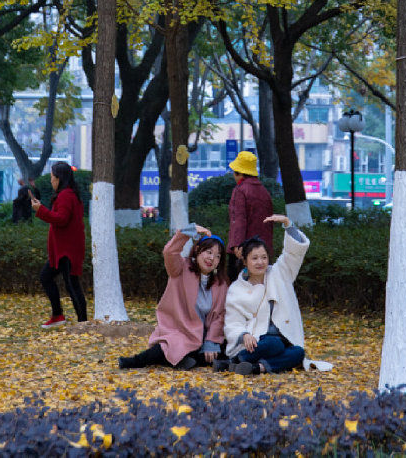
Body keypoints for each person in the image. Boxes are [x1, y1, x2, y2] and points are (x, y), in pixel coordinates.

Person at [118, 225, 228, 370]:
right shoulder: (181, 268)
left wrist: (211, 341)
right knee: (167, 347)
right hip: (179, 331)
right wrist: (188, 231)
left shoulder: (221, 284)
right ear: (197, 250)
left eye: (218, 256)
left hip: (203, 336)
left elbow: (219, 317)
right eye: (209, 252)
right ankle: (134, 361)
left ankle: (183, 360)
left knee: (225, 349)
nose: (212, 258)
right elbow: (170, 252)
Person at [222, 213, 309, 375]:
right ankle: (238, 358)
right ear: (245, 261)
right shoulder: (236, 288)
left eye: (264, 257)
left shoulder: (279, 273)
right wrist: (244, 335)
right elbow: (232, 322)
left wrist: (288, 224)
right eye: (254, 258)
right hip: (255, 342)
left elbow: (293, 254)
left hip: (282, 338)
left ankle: (256, 367)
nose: (260, 262)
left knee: (298, 352)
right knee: (273, 344)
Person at [30, 162, 87, 328]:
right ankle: (58, 315)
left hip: (67, 250)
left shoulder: (66, 196)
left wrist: (40, 210)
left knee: (72, 285)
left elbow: (61, 219)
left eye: (52, 178)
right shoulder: (68, 195)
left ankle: (82, 322)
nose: (51, 181)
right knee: (48, 277)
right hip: (63, 249)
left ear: (60, 178)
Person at [227, 150, 274, 281]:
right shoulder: (264, 192)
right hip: (263, 251)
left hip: (244, 250)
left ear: (239, 173)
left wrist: (237, 245)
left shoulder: (240, 190)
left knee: (238, 287)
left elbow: (239, 220)